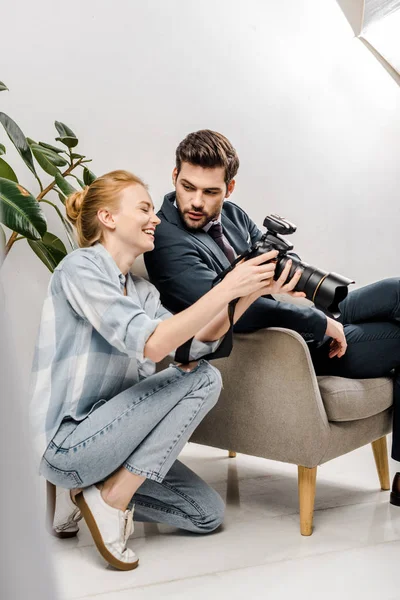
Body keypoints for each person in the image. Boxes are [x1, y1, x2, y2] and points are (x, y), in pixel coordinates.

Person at [29, 170, 302, 571]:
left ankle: (88, 492)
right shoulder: (80, 269)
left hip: (116, 441)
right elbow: (152, 342)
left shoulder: (141, 292)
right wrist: (226, 287)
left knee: (204, 513)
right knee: (205, 380)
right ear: (107, 218)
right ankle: (109, 498)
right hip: (69, 443)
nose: (155, 217)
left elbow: (193, 346)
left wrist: (251, 291)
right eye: (143, 208)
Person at [144, 129, 400, 502]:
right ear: (174, 177)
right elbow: (229, 311)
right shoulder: (164, 238)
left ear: (229, 188)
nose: (196, 201)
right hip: (277, 348)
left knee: (395, 290)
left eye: (210, 192)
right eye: (188, 187)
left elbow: (282, 264)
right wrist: (318, 322)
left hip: (295, 321)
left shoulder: (232, 215)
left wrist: (292, 274)